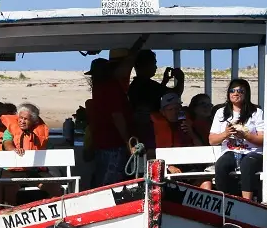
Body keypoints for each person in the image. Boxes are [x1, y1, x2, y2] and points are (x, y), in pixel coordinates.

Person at [86, 34, 148, 187]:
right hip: (113, 144)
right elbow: (117, 118)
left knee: (103, 179)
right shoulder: (110, 88)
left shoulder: (100, 88)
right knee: (111, 182)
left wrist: (140, 42)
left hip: (103, 142)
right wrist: (129, 143)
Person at [201, 79, 265, 201]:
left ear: (246, 94)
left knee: (248, 163)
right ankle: (226, 201)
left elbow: (263, 139)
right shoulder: (221, 112)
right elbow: (212, 140)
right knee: (221, 164)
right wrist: (226, 133)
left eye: (240, 91)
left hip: (253, 153)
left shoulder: (256, 112)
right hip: (230, 152)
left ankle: (247, 201)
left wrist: (245, 135)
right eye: (232, 90)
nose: (235, 93)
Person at [0, 103, 50, 204]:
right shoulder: (10, 130)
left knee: (52, 185)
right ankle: (10, 212)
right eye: (20, 118)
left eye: (26, 119)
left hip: (32, 170)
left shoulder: (39, 133)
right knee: (9, 188)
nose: (22, 121)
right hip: (12, 170)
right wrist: (14, 150)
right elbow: (7, 143)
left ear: (34, 121)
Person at [147, 91, 201, 174]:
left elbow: (201, 148)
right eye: (170, 109)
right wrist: (168, 166)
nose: (174, 112)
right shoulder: (153, 127)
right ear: (162, 112)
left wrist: (191, 133)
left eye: (177, 108)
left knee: (206, 182)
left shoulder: (188, 124)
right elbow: (149, 153)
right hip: (164, 167)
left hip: (188, 165)